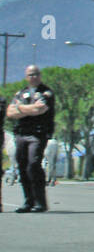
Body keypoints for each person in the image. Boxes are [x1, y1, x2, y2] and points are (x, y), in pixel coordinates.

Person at [5, 65, 55, 213]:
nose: (33, 77)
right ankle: (28, 202)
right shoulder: (21, 93)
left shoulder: (46, 93)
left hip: (37, 135)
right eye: (30, 74)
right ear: (26, 77)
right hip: (21, 134)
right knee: (22, 166)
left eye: (36, 74)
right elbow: (9, 113)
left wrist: (20, 108)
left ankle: (40, 202)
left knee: (33, 164)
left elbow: (40, 110)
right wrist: (29, 109)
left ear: (40, 75)